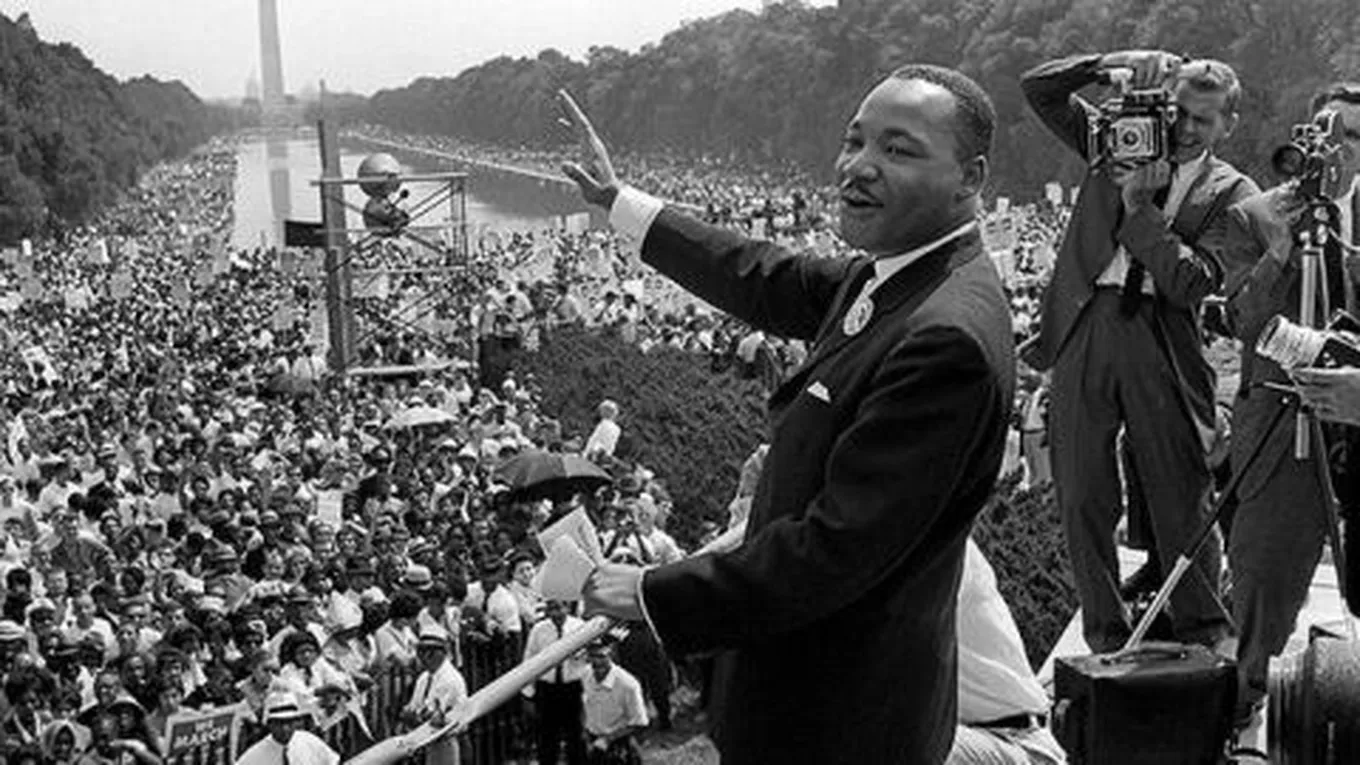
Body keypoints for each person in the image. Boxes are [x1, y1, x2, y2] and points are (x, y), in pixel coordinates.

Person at [566, 63, 1015, 764]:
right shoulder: (894, 275)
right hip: (814, 695)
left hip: (842, 717)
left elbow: (837, 550)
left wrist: (653, 591)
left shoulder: (944, 337)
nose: (859, 166)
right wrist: (620, 202)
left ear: (970, 177)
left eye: (897, 150)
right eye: (854, 141)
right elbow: (761, 275)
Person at [1019, 51, 1258, 653]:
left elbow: (1191, 282)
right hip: (1086, 322)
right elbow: (1039, 89)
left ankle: (1203, 630)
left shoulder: (1233, 192)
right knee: (1081, 491)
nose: (1185, 128)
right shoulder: (1114, 140)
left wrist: (1139, 210)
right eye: (1178, 112)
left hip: (1163, 334)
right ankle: (1105, 633)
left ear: (1228, 125)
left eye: (1203, 119)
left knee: (1180, 490)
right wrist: (1108, 63)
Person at [1209, 81, 1360, 762]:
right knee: (1264, 580)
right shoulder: (1256, 215)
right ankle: (1242, 710)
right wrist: (1280, 251)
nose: (1336, 147)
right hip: (1280, 426)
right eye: (1326, 131)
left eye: (1352, 136)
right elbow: (1241, 320)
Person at [523, 600, 588, 765]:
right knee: (547, 737)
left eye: (559, 608)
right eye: (551, 609)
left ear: (567, 607)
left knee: (575, 735)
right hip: (547, 689)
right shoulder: (539, 630)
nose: (555, 614)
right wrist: (528, 693)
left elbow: (588, 659)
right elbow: (529, 661)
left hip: (573, 688)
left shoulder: (580, 627)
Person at [401, 628, 466, 765]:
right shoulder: (424, 678)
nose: (423, 657)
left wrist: (415, 717)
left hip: (445, 742)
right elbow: (415, 707)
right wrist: (409, 713)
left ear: (441, 653)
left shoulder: (450, 679)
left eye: (429, 652)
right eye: (420, 652)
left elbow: (435, 721)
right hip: (426, 743)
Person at [580, 638, 647, 765]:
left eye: (601, 656)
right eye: (592, 656)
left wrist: (607, 739)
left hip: (620, 745)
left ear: (611, 655)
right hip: (594, 742)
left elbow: (639, 722)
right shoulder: (586, 675)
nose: (596, 661)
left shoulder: (628, 684)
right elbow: (585, 704)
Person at [236, 692, 339, 765]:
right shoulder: (254, 757)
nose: (285, 728)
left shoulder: (310, 742)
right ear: (269, 724)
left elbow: (332, 761)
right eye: (279, 723)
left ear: (296, 722)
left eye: (289, 722)